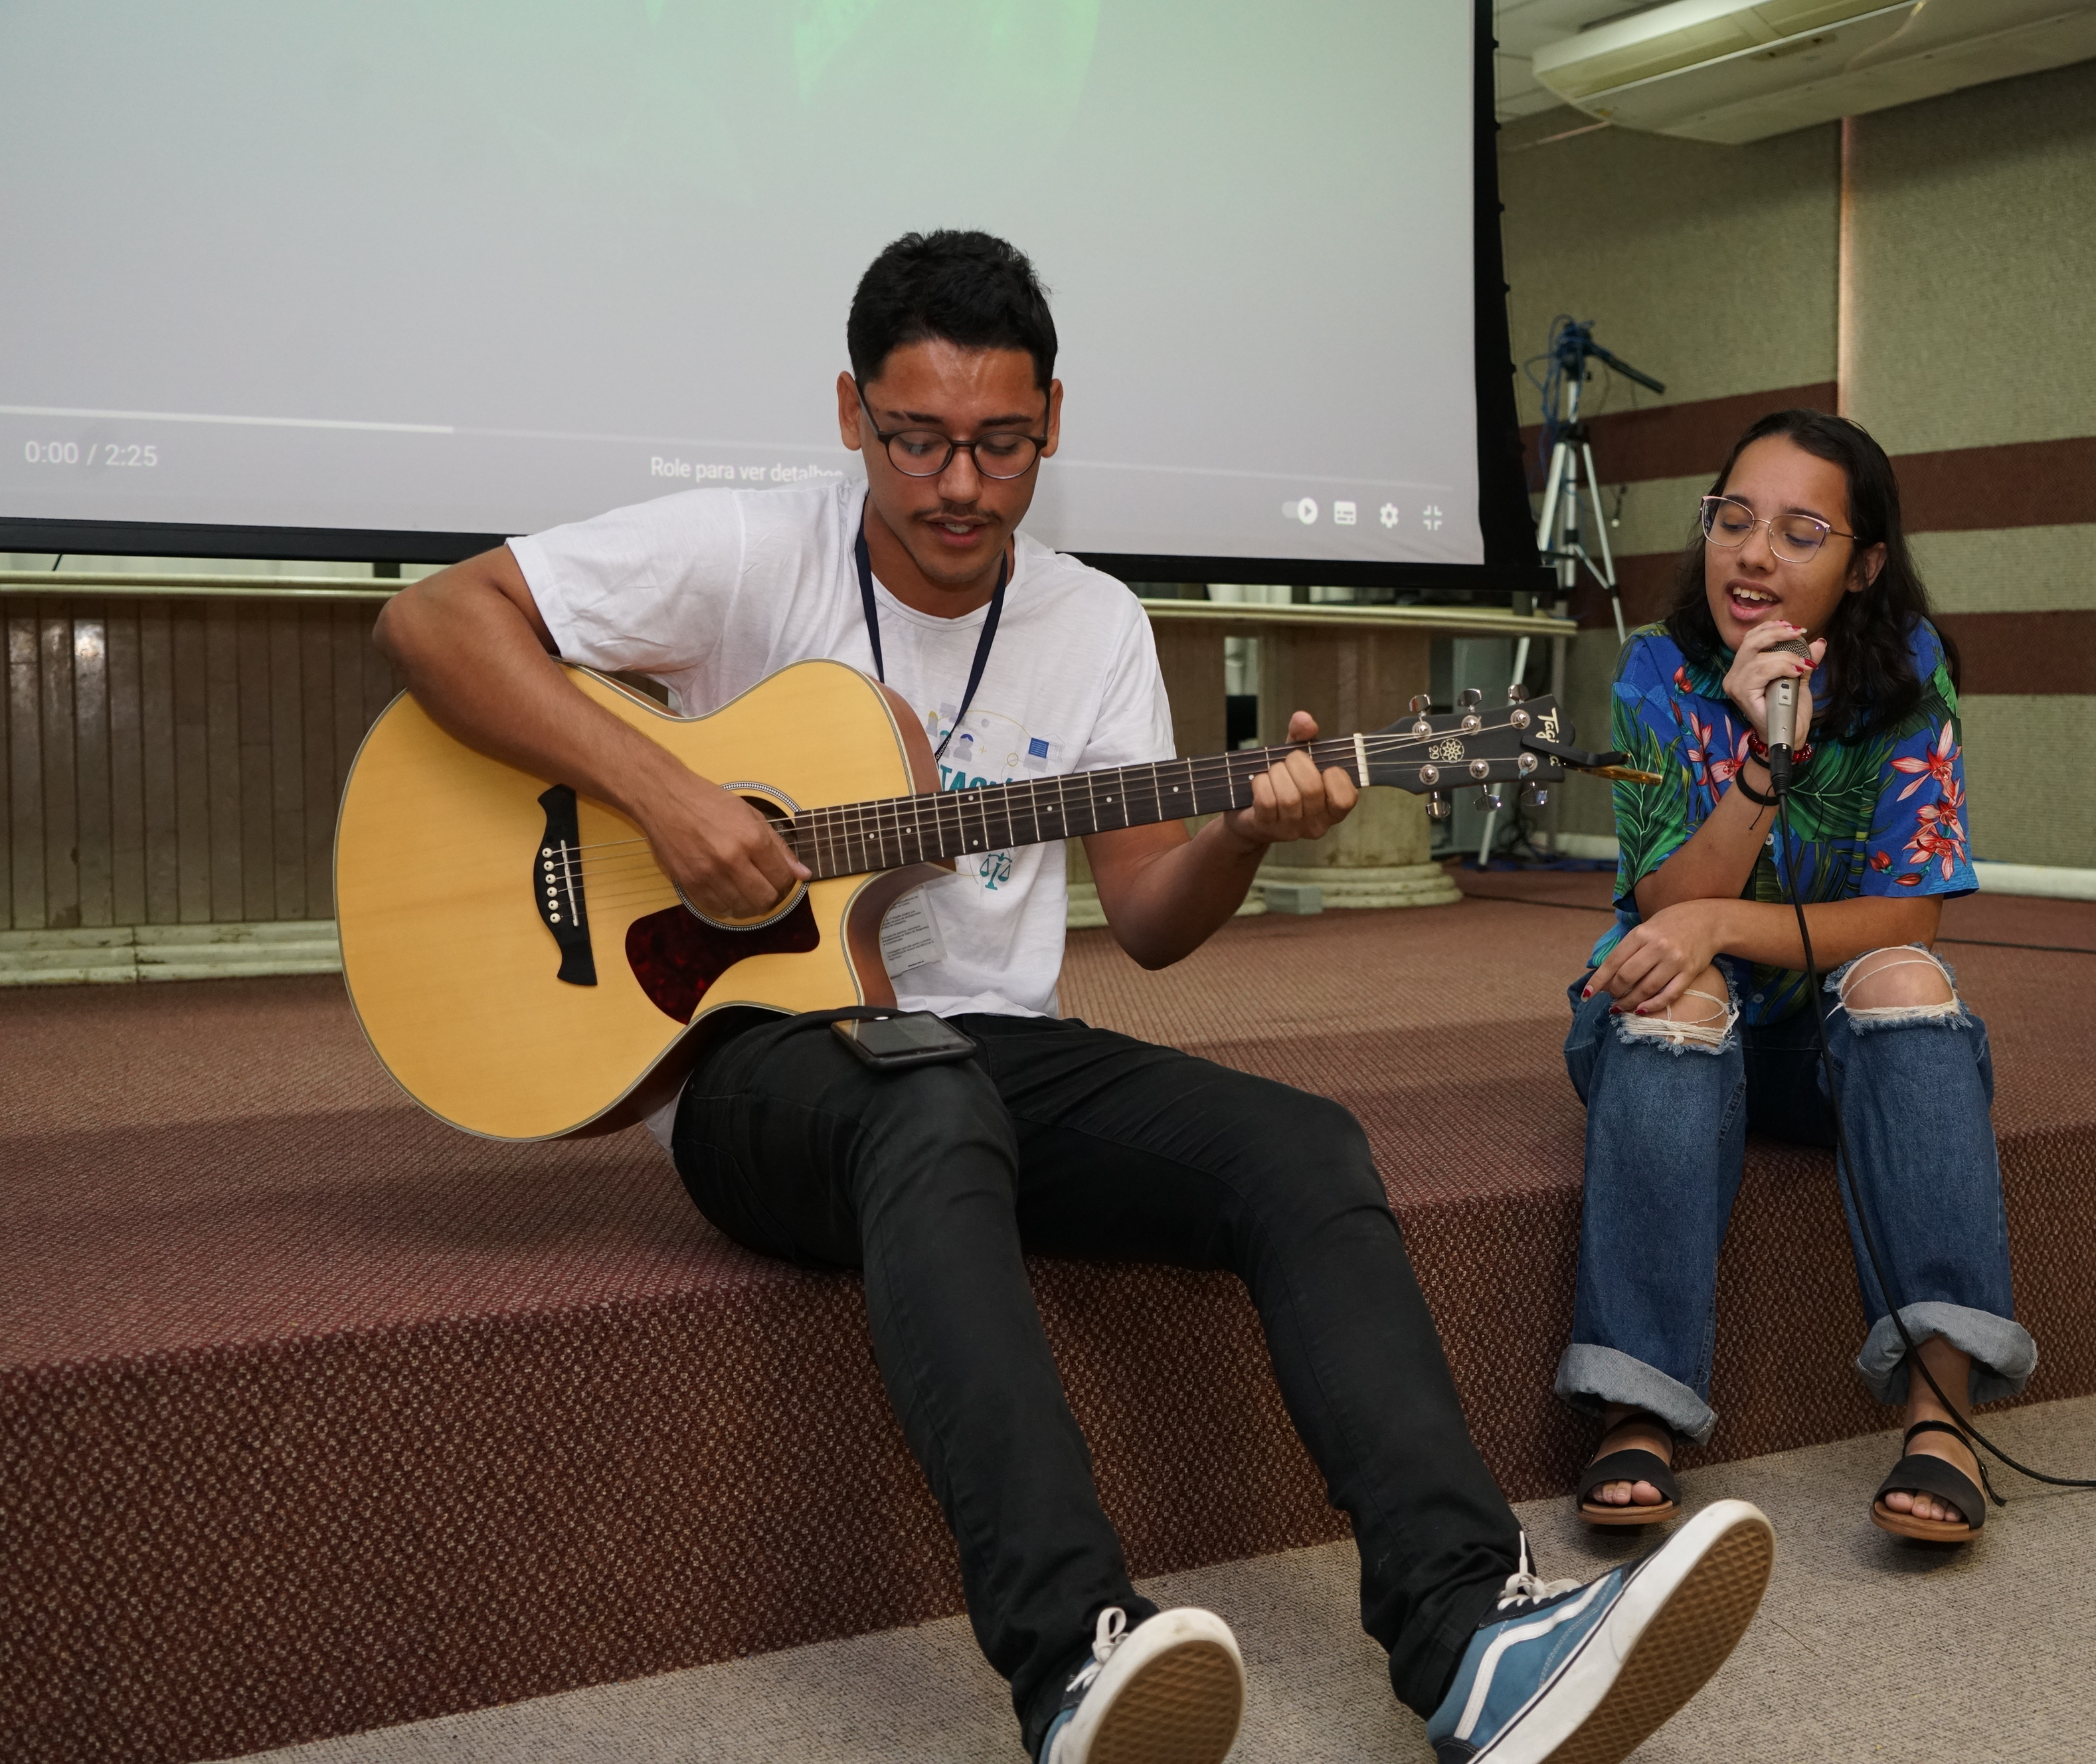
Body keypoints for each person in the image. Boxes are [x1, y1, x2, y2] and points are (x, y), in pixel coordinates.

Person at [376, 230, 1773, 1763]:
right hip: (758, 1066)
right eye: (915, 441)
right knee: (928, 1097)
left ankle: (1471, 1636)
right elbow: (435, 620)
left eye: (1000, 444)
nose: (958, 484)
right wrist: (667, 793)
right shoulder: (743, 549)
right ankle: (1076, 1661)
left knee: (1299, 1148)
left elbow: (1155, 922)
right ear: (851, 414)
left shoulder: (1096, 621)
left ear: (1054, 421)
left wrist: (1242, 825)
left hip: (998, 1055)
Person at [1557, 408, 2037, 1547]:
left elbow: (1907, 907)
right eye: (1734, 519)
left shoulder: (1910, 672)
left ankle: (1942, 1412)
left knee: (1906, 979)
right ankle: (1639, 1403)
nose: (1754, 554)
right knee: (1679, 990)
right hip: (1672, 1037)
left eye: (1800, 531)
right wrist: (1761, 766)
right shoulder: (1659, 674)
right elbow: (1669, 914)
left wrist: (1726, 916)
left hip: (1831, 1054)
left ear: (1865, 563)